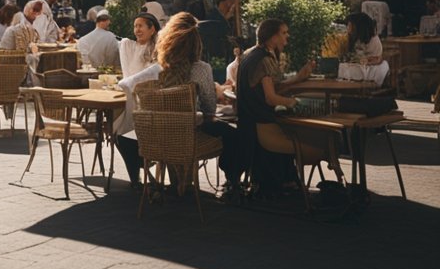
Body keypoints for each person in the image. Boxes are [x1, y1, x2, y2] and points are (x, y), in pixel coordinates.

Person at [115, 12, 240, 191]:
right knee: (235, 136)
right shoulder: (201, 69)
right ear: (196, 42)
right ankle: (233, 182)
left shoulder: (155, 70)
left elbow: (124, 85)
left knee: (122, 137)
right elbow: (209, 109)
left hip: (155, 136)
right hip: (188, 138)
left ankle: (139, 181)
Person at [237, 18, 324, 193]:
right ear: (272, 37)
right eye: (284, 33)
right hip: (261, 126)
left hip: (248, 123)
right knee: (306, 133)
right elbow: (271, 98)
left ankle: (287, 179)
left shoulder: (251, 53)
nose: (287, 37)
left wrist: (297, 78)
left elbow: (270, 88)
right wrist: (294, 103)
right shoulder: (264, 59)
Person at [338, 12, 390, 85]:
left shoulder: (373, 40)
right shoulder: (353, 38)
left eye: (350, 25)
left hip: (369, 67)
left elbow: (377, 59)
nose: (348, 27)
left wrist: (365, 60)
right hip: (357, 65)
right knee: (342, 66)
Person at [119, 12, 161, 78]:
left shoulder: (158, 49)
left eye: (140, 26)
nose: (137, 30)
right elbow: (126, 74)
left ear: (152, 29)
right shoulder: (128, 45)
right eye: (135, 26)